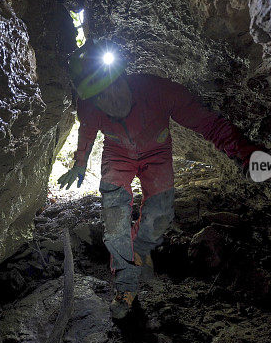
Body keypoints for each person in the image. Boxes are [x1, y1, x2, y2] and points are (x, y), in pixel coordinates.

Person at [58, 40, 260, 319]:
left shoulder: (159, 91)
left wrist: (245, 152)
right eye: (100, 95)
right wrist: (80, 164)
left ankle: (138, 249)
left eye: (114, 85)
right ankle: (126, 285)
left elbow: (207, 123)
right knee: (115, 217)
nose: (111, 99)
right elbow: (88, 132)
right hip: (117, 154)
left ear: (123, 75)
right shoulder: (88, 107)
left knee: (159, 216)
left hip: (157, 154)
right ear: (91, 98)